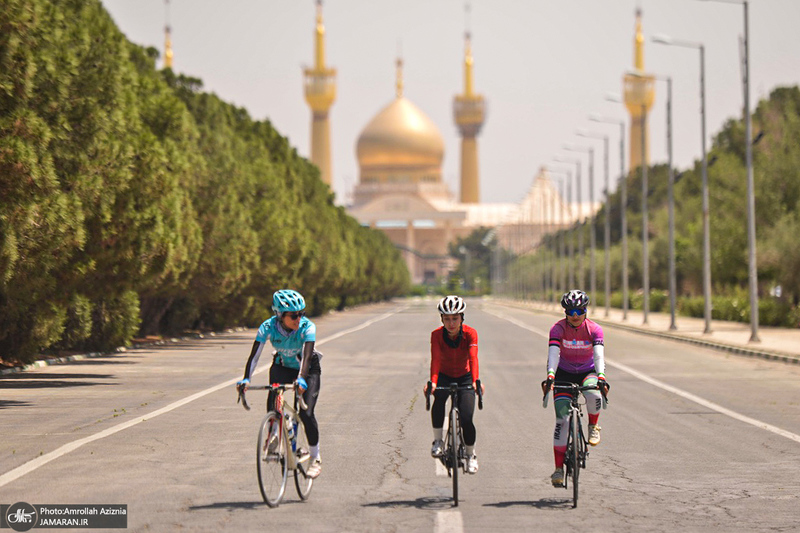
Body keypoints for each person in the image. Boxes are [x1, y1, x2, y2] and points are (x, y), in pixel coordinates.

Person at [236, 289, 323, 479]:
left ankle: (315, 457)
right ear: (280, 315)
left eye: (301, 313)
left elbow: (307, 357)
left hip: (308, 370)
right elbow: (254, 356)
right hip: (283, 366)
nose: (298, 318)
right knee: (274, 396)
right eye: (293, 315)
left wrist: (301, 379)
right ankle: (274, 432)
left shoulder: (308, 327)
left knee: (306, 414)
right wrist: (246, 379)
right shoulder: (268, 327)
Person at [542, 289, 609, 487]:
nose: (575, 316)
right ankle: (558, 469)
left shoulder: (594, 329)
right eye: (570, 311)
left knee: (593, 393)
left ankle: (593, 425)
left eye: (579, 311)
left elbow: (598, 355)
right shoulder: (558, 329)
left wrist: (601, 376)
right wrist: (551, 375)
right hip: (564, 372)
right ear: (565, 312)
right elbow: (553, 353)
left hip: (587, 372)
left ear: (585, 311)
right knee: (562, 421)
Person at [423, 295, 483, 474]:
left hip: (465, 377)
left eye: (455, 318)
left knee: (466, 418)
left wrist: (475, 381)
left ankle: (471, 455)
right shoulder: (436, 335)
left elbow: (473, 358)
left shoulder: (470, 333)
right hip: (444, 375)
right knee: (439, 400)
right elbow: (435, 359)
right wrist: (433, 382)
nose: (451, 323)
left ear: (462, 318)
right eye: (447, 319)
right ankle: (438, 441)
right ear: (442, 319)